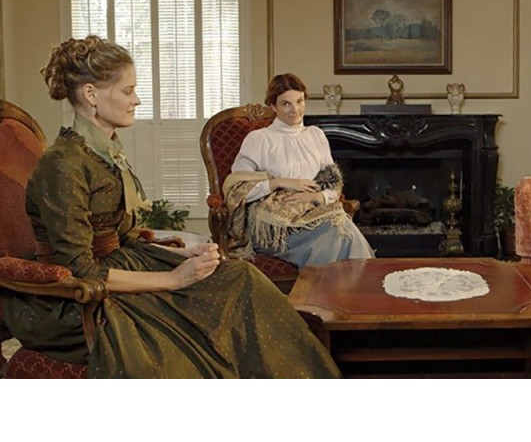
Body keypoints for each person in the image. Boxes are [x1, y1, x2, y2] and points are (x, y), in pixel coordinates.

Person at [1, 37, 339, 378]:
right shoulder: (64, 164)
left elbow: (123, 235)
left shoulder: (104, 151)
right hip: (75, 300)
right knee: (191, 328)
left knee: (240, 276)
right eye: (128, 91)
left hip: (119, 263)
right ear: (91, 95)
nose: (136, 100)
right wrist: (174, 278)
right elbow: (80, 267)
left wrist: (183, 254)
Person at [226, 73, 373, 269]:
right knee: (337, 232)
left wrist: (318, 197)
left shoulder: (315, 135)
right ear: (273, 106)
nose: (295, 109)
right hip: (276, 226)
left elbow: (333, 182)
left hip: (314, 213)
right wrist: (279, 182)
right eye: (286, 104)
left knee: (343, 229)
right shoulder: (259, 139)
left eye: (299, 101)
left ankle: (349, 286)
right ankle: (342, 285)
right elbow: (236, 189)